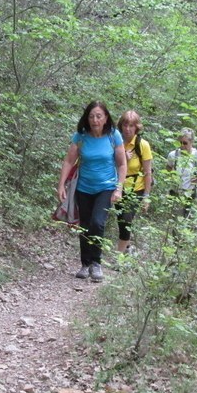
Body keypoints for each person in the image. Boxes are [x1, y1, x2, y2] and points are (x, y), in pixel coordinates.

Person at [57, 101, 127, 282]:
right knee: (85, 225)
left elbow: (122, 164)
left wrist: (119, 188)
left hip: (106, 187)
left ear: (105, 118)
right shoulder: (80, 137)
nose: (94, 120)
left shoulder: (114, 136)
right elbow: (68, 161)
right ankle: (85, 264)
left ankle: (96, 263)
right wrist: (61, 185)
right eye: (91, 116)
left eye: (98, 116)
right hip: (83, 187)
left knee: (97, 222)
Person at [115, 110, 153, 253]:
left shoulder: (142, 145)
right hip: (117, 185)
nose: (128, 129)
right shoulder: (115, 142)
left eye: (131, 125)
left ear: (137, 127)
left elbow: (148, 172)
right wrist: (122, 158)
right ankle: (128, 248)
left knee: (126, 220)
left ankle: (119, 257)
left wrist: (146, 197)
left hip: (136, 188)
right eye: (125, 125)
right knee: (121, 221)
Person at [166, 128, 197, 216]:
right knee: (176, 222)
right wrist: (172, 176)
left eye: (185, 143)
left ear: (191, 142)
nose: (182, 145)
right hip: (177, 193)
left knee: (191, 224)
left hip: (194, 194)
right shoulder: (173, 155)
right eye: (180, 142)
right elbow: (168, 167)